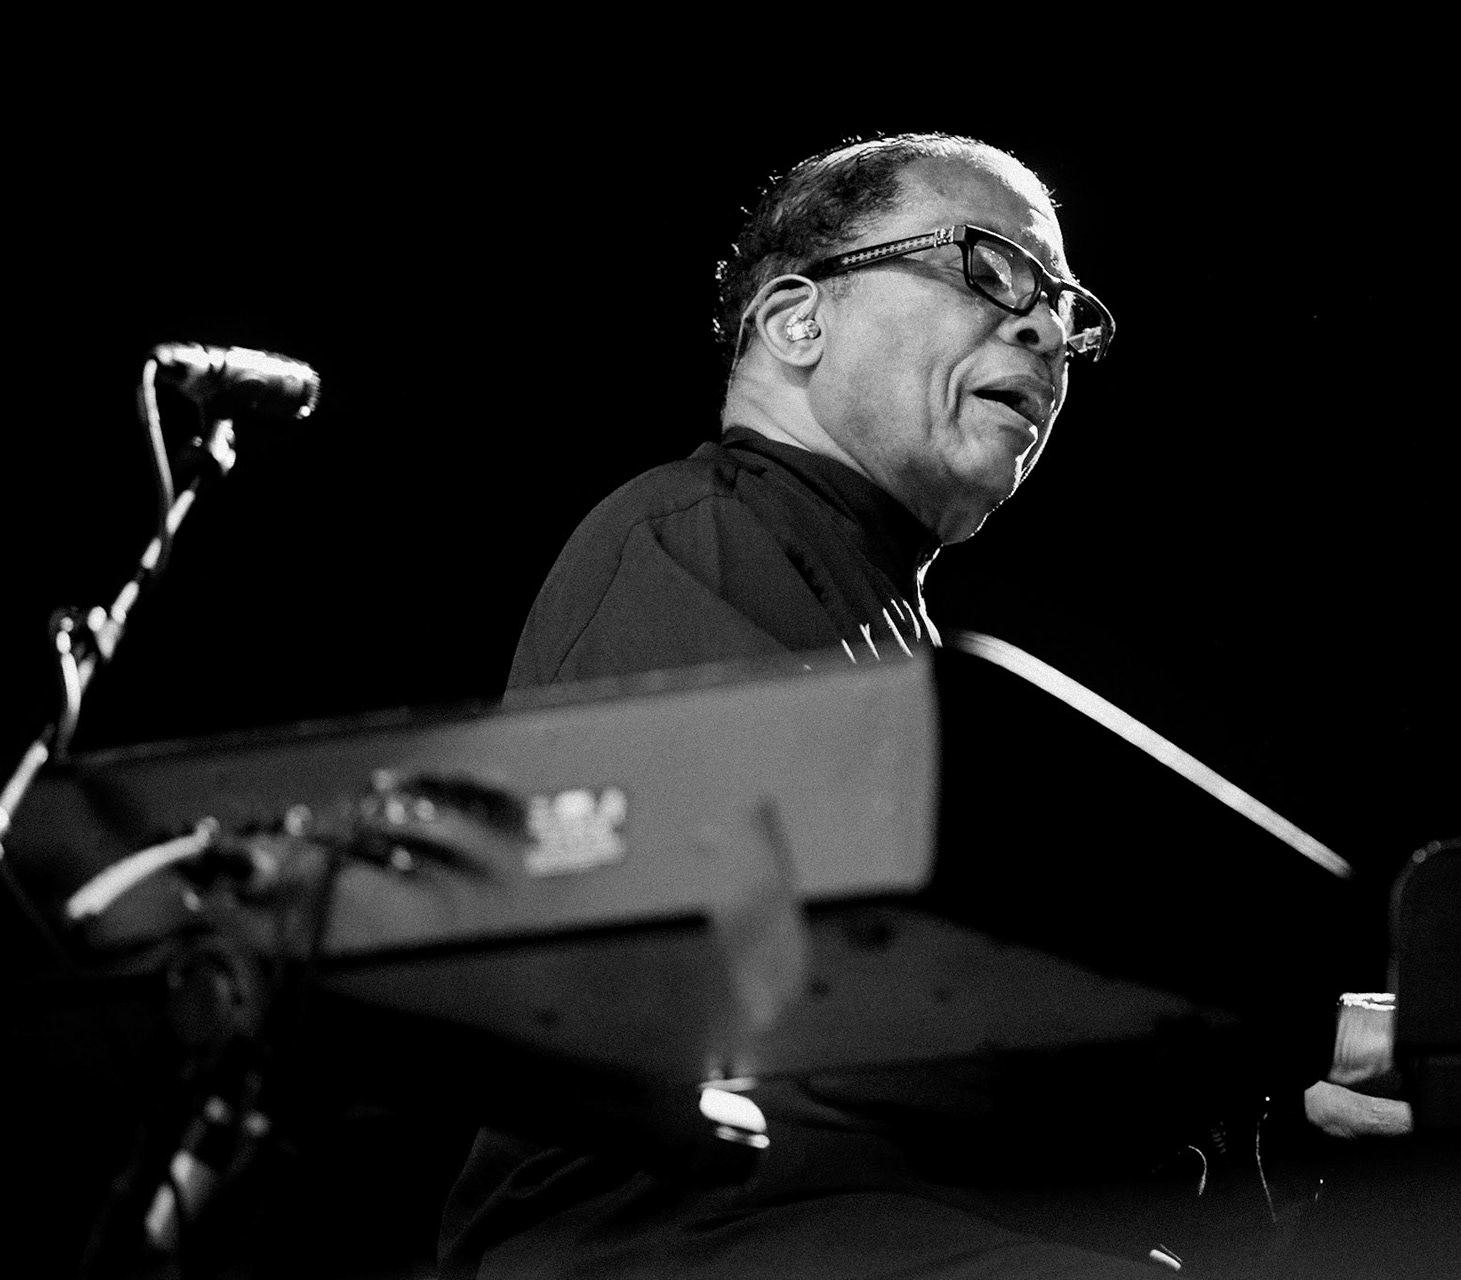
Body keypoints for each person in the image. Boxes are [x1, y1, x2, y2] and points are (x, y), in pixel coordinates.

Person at [441, 132, 1401, 1279]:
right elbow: (834, 971)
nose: (1048, 332)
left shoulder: (867, 600)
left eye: (1068, 312)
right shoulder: (695, 534)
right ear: (797, 320)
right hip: (678, 1236)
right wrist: (1277, 1035)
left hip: (869, 1217)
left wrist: (1279, 1092)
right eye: (991, 269)